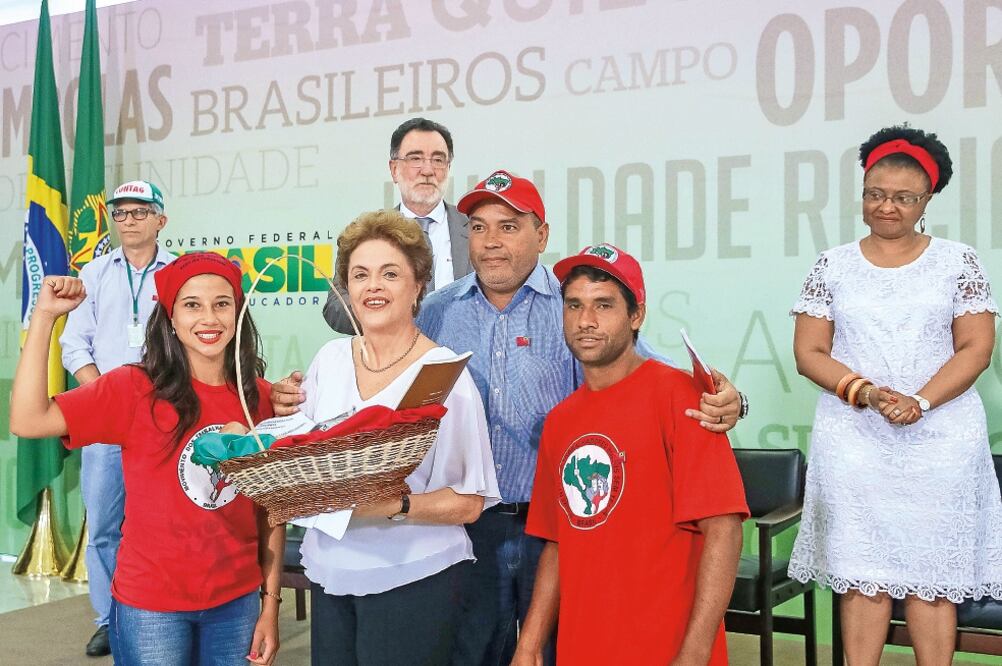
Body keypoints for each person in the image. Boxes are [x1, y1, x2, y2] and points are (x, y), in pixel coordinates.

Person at [277, 169, 748, 665]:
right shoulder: (437, 310)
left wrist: (731, 401)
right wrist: (291, 401)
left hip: (559, 534)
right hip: (467, 530)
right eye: (478, 227)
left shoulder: (574, 307)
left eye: (509, 226)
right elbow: (384, 358)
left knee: (553, 652)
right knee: (469, 654)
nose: (491, 242)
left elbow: (651, 377)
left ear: (541, 235)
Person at [788, 125, 1002, 665]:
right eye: (875, 194)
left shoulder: (958, 261)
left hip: (941, 440)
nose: (887, 207)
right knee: (864, 576)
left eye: (903, 197)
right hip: (855, 437)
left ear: (926, 200)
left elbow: (975, 347)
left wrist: (920, 401)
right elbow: (810, 352)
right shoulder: (832, 264)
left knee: (930, 580)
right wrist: (864, 393)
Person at [11, 252, 284, 666]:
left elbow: (270, 511)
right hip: (150, 606)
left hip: (237, 601)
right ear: (171, 317)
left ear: (238, 312)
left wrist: (270, 603)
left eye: (222, 304)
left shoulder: (259, 397)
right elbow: (28, 419)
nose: (209, 318)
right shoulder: (133, 387)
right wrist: (45, 317)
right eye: (192, 305)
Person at [512, 245, 748, 665]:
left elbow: (724, 529)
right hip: (582, 646)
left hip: (666, 645)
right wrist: (529, 645)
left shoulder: (682, 396)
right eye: (574, 305)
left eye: (603, 305)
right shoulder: (560, 421)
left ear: (636, 315)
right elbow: (557, 543)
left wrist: (694, 653)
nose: (586, 321)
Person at [298, 210, 500, 665]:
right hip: (331, 572)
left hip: (413, 579)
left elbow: (468, 502)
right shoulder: (328, 360)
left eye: (390, 274)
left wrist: (395, 505)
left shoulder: (444, 374)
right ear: (345, 288)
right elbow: (302, 458)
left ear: (418, 286)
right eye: (360, 275)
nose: (373, 287)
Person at [58, 179, 175, 658]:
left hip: (164, 420)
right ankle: (108, 619)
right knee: (104, 524)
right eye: (121, 213)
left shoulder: (179, 273)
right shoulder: (95, 272)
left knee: (162, 520)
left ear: (160, 220)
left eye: (139, 211)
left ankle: (163, 608)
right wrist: (105, 396)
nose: (128, 220)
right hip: (108, 423)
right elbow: (73, 344)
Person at [323, 117, 473, 333]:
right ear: (394, 169)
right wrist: (383, 317)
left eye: (438, 160)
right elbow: (336, 307)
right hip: (389, 360)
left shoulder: (476, 228)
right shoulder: (367, 234)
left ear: (448, 168)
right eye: (415, 158)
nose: (428, 170)